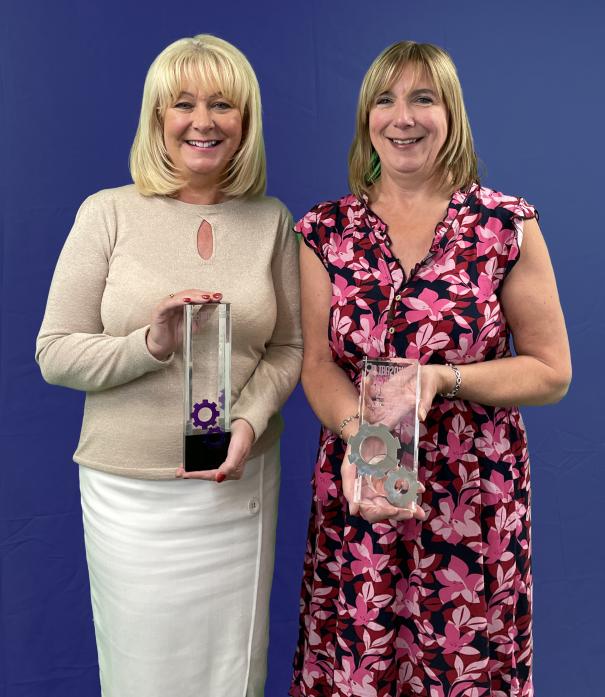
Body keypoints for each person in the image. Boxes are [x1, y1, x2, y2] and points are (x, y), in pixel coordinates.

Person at [290, 41, 570, 697]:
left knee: (462, 675)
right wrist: (367, 436)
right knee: (357, 666)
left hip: (473, 506)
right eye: (384, 100)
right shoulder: (324, 230)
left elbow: (551, 370)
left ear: (452, 115)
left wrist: (442, 378)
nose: (402, 117)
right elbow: (316, 365)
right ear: (365, 119)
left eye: (423, 98)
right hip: (364, 492)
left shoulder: (505, 225)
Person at [36, 34, 302, 697]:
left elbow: (288, 348)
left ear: (245, 121)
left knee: (231, 673)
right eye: (182, 103)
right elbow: (55, 351)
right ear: (158, 118)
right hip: (130, 494)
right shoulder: (108, 214)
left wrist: (247, 419)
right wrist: (147, 345)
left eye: (222, 105)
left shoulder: (272, 221)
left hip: (235, 483)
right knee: (142, 675)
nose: (202, 121)